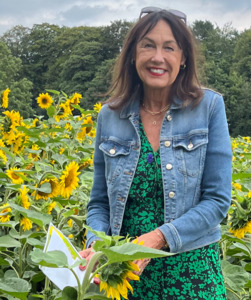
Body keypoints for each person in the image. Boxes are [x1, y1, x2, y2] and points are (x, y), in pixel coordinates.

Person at [80, 6, 232, 300]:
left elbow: (217, 201)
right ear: (133, 54)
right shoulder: (110, 115)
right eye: (148, 45)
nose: (157, 57)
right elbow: (99, 203)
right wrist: (97, 243)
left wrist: (157, 239)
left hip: (192, 271)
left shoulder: (208, 108)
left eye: (169, 47)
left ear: (183, 58)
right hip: (125, 274)